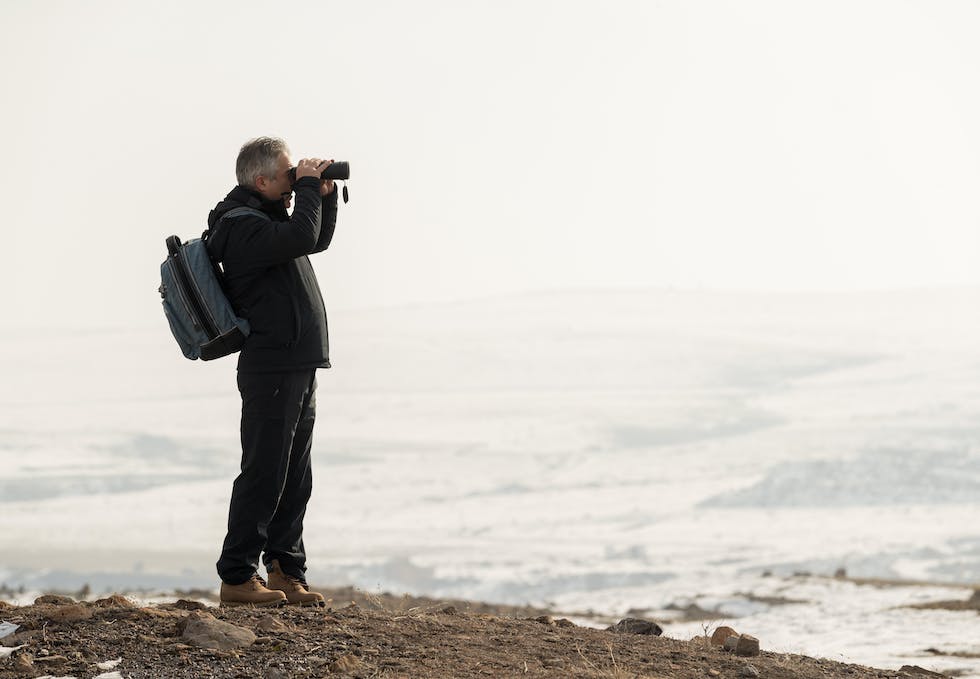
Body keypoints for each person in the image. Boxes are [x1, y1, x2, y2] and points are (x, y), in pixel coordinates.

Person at [205, 136, 339, 607]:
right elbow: (301, 236)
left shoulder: (264, 222)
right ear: (260, 180)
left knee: (295, 475)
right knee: (264, 472)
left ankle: (284, 569)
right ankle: (238, 576)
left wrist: (319, 197)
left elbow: (314, 239)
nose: (292, 182)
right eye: (286, 175)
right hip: (272, 364)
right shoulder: (241, 228)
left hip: (296, 361)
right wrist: (303, 191)